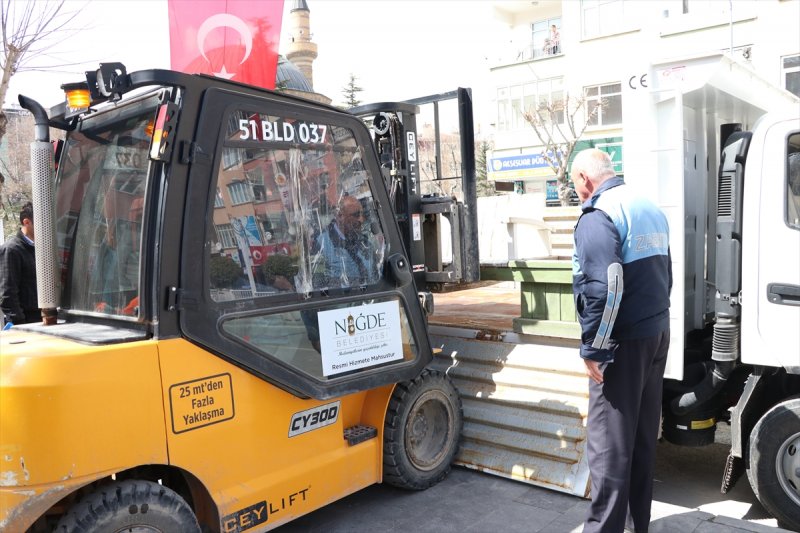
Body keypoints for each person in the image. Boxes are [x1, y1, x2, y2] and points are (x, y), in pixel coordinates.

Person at [570, 149, 671, 533]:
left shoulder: (599, 214)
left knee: (609, 448)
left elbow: (606, 283)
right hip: (655, 333)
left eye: (575, 184)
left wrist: (596, 347)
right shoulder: (648, 207)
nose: (577, 192)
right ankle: (635, 526)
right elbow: (666, 273)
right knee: (642, 440)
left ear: (585, 178)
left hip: (622, 344)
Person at [316, 195, 373, 287]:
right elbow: (318, 285)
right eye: (356, 215)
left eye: (362, 214)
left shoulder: (364, 240)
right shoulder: (321, 243)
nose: (361, 219)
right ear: (340, 216)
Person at [0, 202, 40, 325]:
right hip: (27, 321)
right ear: (26, 222)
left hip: (43, 318)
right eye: (41, 223)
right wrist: (19, 322)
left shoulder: (41, 248)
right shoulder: (11, 249)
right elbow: (7, 292)